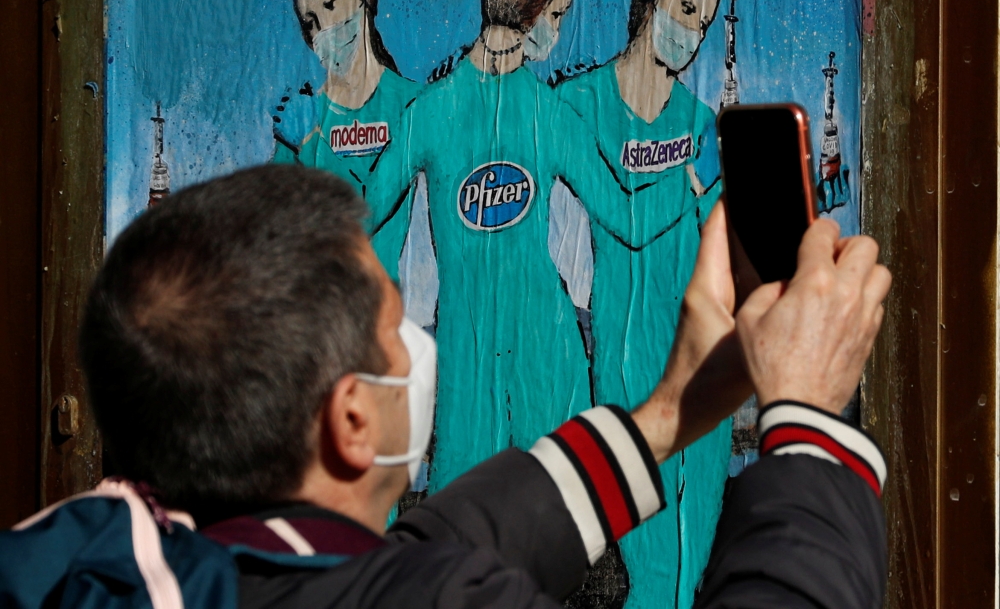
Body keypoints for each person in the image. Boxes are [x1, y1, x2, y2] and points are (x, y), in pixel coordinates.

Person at [3, 163, 891, 608]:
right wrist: (807, 419)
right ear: (352, 418)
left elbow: (417, 550)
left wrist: (669, 412)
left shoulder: (109, 564)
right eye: (394, 329)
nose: (415, 345)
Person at [359, 0, 694, 494]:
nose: (557, 32)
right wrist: (680, 185)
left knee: (541, 529)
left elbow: (357, 216)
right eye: (559, 15)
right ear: (535, 8)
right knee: (473, 524)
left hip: (546, 354)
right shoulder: (460, 113)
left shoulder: (452, 111)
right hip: (474, 358)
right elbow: (628, 216)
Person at [553, 0, 726, 609]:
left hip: (705, 367)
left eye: (703, 24)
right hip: (630, 372)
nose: (691, 34)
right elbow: (621, 217)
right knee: (651, 572)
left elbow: (719, 244)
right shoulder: (580, 106)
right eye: (685, 10)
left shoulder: (701, 123)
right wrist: (690, 178)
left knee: (690, 577)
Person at [272, 0, 423, 290]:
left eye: (330, 5)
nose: (323, 30)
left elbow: (364, 217)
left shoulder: (411, 105)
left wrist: (311, 145)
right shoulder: (302, 116)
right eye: (310, 21)